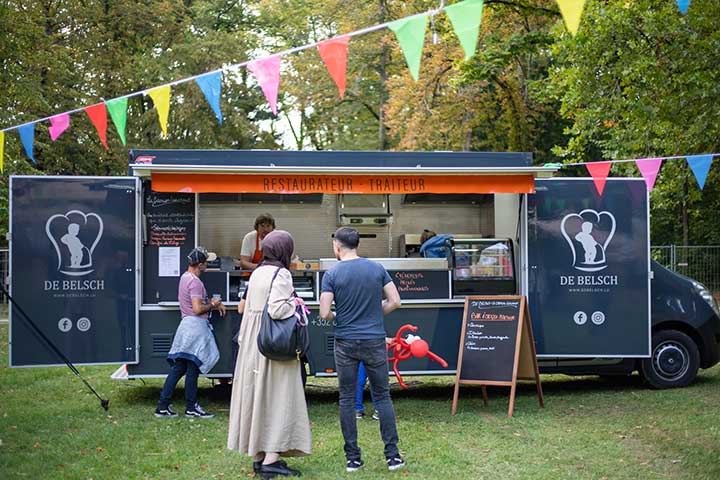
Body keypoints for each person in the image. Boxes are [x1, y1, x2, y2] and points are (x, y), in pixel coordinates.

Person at [319, 227, 405, 473]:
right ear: (357, 245)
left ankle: (353, 459)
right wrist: (374, 312)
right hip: (375, 341)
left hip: (345, 342)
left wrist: (339, 315)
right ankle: (393, 457)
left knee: (346, 399)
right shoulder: (376, 268)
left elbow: (324, 313)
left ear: (337, 246)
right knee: (382, 397)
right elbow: (395, 301)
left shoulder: (332, 274)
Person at [227, 230, 311, 479]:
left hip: (254, 343)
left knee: (256, 396)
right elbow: (276, 310)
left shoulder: (258, 272)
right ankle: (272, 459)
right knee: (279, 397)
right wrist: (296, 303)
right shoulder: (281, 273)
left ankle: (258, 455)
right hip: (274, 347)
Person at [155, 247, 227, 419]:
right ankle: (191, 407)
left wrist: (212, 302)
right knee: (193, 368)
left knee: (179, 368)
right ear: (200, 264)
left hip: (185, 326)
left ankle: (162, 406)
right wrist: (213, 305)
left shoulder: (184, 278)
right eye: (206, 262)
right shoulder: (195, 282)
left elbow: (194, 301)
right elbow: (197, 308)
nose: (208, 264)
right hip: (195, 328)